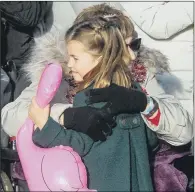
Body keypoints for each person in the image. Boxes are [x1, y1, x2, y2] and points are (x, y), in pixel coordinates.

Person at [1, 4, 193, 145]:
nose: (134, 54)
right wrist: (67, 116)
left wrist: (144, 103)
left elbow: (183, 132)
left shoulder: (140, 73)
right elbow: (10, 118)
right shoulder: (63, 74)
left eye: (136, 44)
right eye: (124, 47)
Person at [29, 16, 158, 191]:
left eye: (75, 58)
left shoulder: (90, 96)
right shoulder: (133, 91)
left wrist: (44, 125)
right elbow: (151, 141)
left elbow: (80, 145)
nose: (70, 64)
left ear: (99, 59)